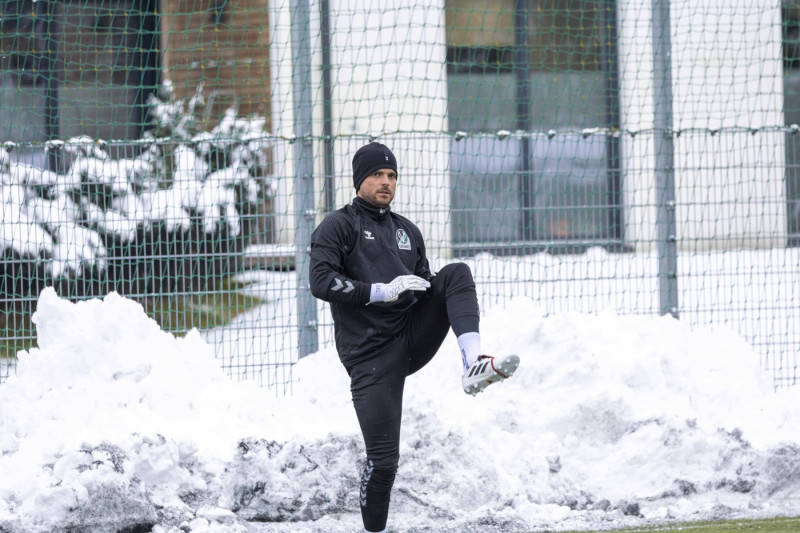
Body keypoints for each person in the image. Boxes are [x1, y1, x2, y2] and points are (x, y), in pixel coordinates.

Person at [309, 142, 519, 533]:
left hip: (410, 336)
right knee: (384, 462)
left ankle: (473, 362)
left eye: (391, 176)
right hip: (369, 355)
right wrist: (380, 290)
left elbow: (425, 285)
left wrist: (422, 287)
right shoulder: (338, 225)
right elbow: (320, 282)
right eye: (377, 175)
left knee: (455, 273)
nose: (385, 182)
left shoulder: (407, 231)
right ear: (360, 180)